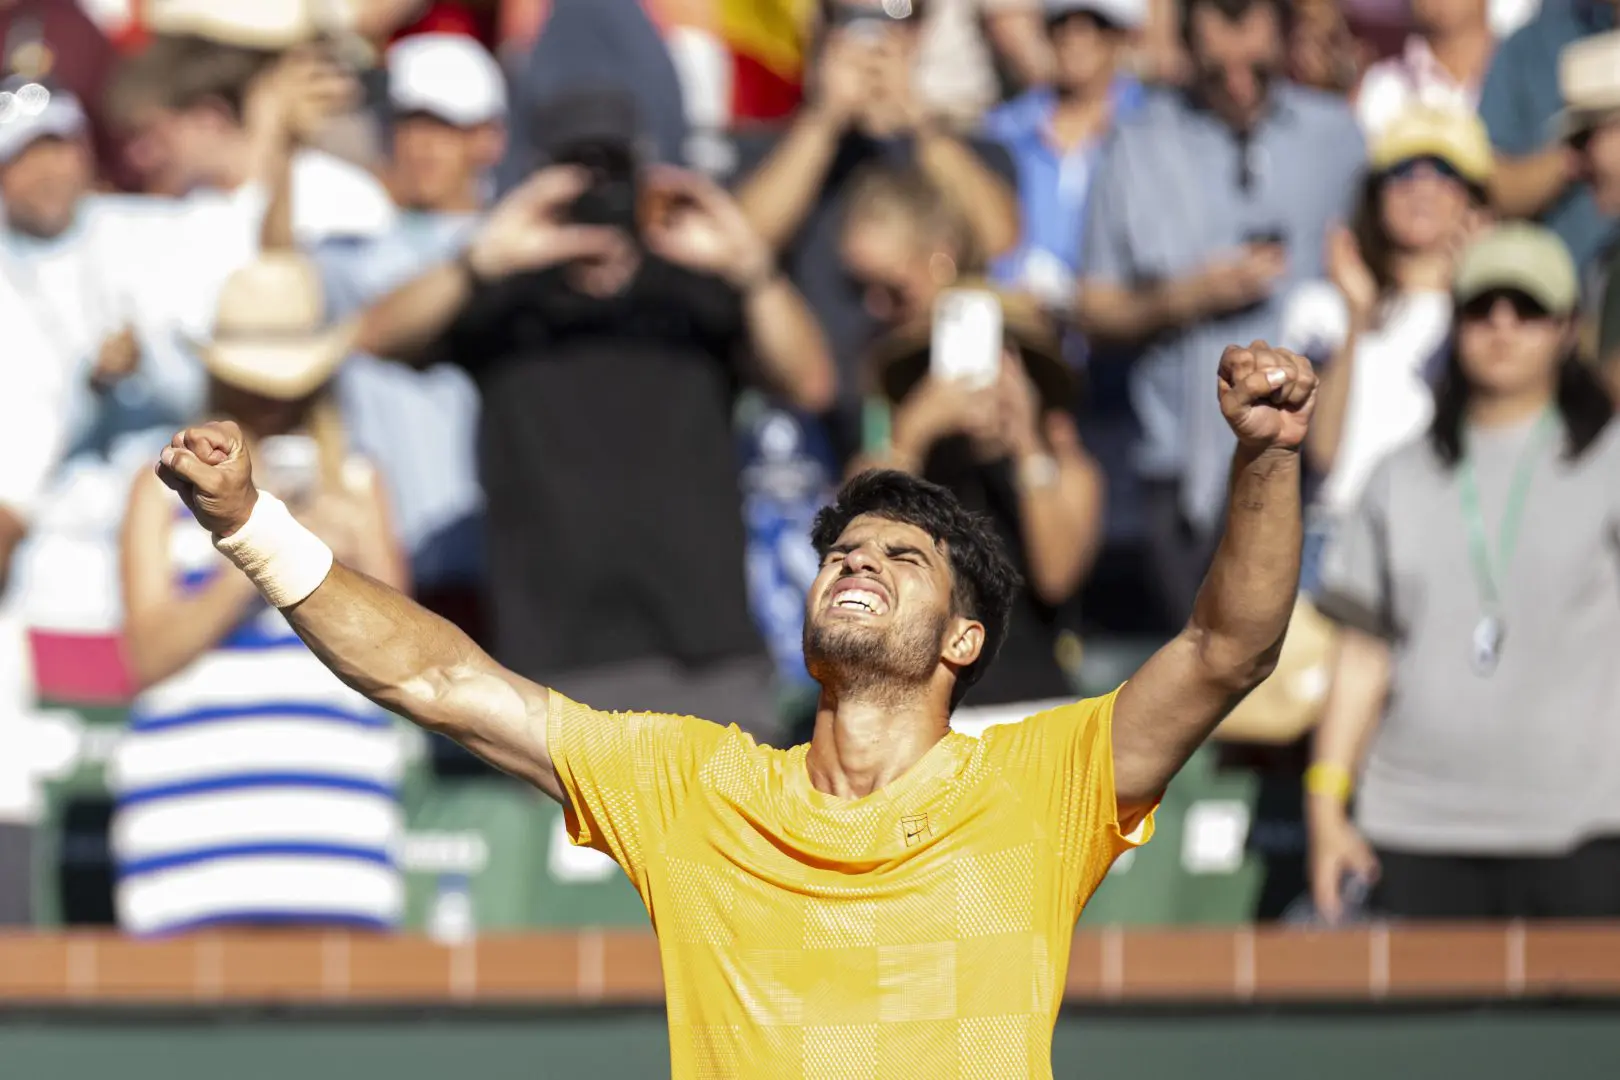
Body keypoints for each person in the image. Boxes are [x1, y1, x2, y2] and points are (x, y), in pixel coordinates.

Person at [152, 328, 1312, 1073]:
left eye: (903, 559)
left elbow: (1225, 648)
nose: (857, 563)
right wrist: (253, 529)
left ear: (966, 639)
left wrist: (1264, 457)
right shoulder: (693, 787)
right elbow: (441, 679)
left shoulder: (1041, 785)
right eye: (843, 551)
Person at [354, 96, 834, 743]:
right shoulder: (506, 297)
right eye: (574, 173)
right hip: (550, 667)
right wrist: (482, 257)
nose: (595, 194)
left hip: (705, 658)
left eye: (611, 173)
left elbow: (810, 380)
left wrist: (747, 265)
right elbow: (376, 336)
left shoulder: (694, 289)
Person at [1307, 223, 1620, 922]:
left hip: (1585, 829)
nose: (1503, 326)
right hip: (1414, 826)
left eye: (1527, 308)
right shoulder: (1398, 475)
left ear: (1568, 328)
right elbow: (1360, 657)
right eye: (1483, 307)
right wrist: (1326, 809)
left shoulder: (1609, 463)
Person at [111, 252, 408, 935]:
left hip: (337, 853)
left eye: (289, 387)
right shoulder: (157, 487)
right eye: (250, 387)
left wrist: (348, 560)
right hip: (187, 859)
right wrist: (261, 542)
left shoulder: (359, 486)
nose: (270, 405)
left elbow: (404, 666)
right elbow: (147, 655)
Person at [1074, 0, 1364, 628]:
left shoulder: (1338, 137)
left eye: (1254, 67)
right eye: (1216, 68)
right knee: (1208, 668)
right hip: (1178, 469)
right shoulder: (1139, 142)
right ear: (1186, 51)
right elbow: (1092, 306)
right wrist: (1191, 296)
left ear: (1285, 41)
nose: (1236, 81)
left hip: (1311, 465)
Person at [732, 0, 1020, 457]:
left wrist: (919, 121)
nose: (876, 40)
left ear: (924, 29)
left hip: (945, 437)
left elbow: (1001, 239)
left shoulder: (970, 150)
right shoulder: (774, 149)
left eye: (898, 13)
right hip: (806, 440)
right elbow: (736, 243)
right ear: (822, 29)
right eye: (851, 20)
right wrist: (825, 119)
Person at [1281, 106, 1492, 559]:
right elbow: (1322, 455)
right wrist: (1357, 320)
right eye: (1401, 172)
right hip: (1338, 534)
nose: (1421, 188)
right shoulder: (1322, 308)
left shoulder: (1505, 316)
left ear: (1475, 201)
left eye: (1444, 171)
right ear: (1374, 194)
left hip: (1452, 537)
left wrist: (1475, 290)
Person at [983, 0, 1148, 312]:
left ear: (1123, 36)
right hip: (1023, 335)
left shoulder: (1154, 127)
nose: (1076, 36)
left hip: (1123, 344)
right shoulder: (1002, 129)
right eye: (1062, 23)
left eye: (1096, 24)